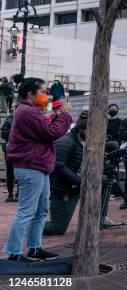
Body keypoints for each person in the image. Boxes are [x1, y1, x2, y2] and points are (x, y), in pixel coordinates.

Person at [3, 77, 72, 262]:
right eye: (42, 91)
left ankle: (34, 247)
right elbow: (51, 133)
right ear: (30, 94)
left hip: (38, 167)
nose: (45, 95)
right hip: (30, 167)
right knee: (26, 211)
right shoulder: (27, 112)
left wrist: (57, 117)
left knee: (41, 210)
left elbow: (45, 129)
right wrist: (64, 116)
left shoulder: (31, 111)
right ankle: (14, 252)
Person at [43, 111, 88, 236]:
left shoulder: (77, 140)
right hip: (58, 189)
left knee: (104, 181)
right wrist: (79, 181)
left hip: (66, 186)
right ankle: (31, 226)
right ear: (81, 129)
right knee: (57, 228)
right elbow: (59, 166)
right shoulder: (66, 141)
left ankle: (100, 218)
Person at [2, 104, 17, 202]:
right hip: (11, 149)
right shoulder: (9, 120)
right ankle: (11, 194)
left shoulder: (24, 120)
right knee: (10, 172)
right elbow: (3, 133)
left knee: (19, 173)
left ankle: (19, 193)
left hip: (21, 150)